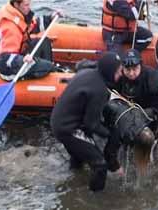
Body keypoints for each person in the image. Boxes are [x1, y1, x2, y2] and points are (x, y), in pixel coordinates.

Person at [50, 52, 123, 192]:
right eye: (119, 71)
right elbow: (91, 124)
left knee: (79, 155)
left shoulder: (89, 73)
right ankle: (94, 199)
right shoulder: (99, 89)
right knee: (100, 164)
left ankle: (73, 180)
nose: (121, 74)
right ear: (110, 71)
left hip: (60, 120)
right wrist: (111, 134)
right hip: (67, 128)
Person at [117, 49, 158, 137]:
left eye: (135, 69)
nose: (131, 73)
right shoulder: (119, 76)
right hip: (128, 112)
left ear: (140, 65)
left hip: (149, 114)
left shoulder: (152, 77)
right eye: (127, 70)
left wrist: (151, 114)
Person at [0, 0, 61, 81]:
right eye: (26, 5)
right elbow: (5, 57)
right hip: (10, 67)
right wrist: (22, 60)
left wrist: (50, 18)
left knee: (44, 41)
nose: (29, 8)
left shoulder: (17, 15)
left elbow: (33, 26)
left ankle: (47, 71)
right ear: (16, 4)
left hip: (20, 55)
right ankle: (46, 72)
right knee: (48, 66)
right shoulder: (10, 28)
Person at [102, 96, 156, 176]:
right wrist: (116, 168)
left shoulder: (147, 118)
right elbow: (109, 151)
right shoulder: (122, 132)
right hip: (106, 105)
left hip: (119, 104)